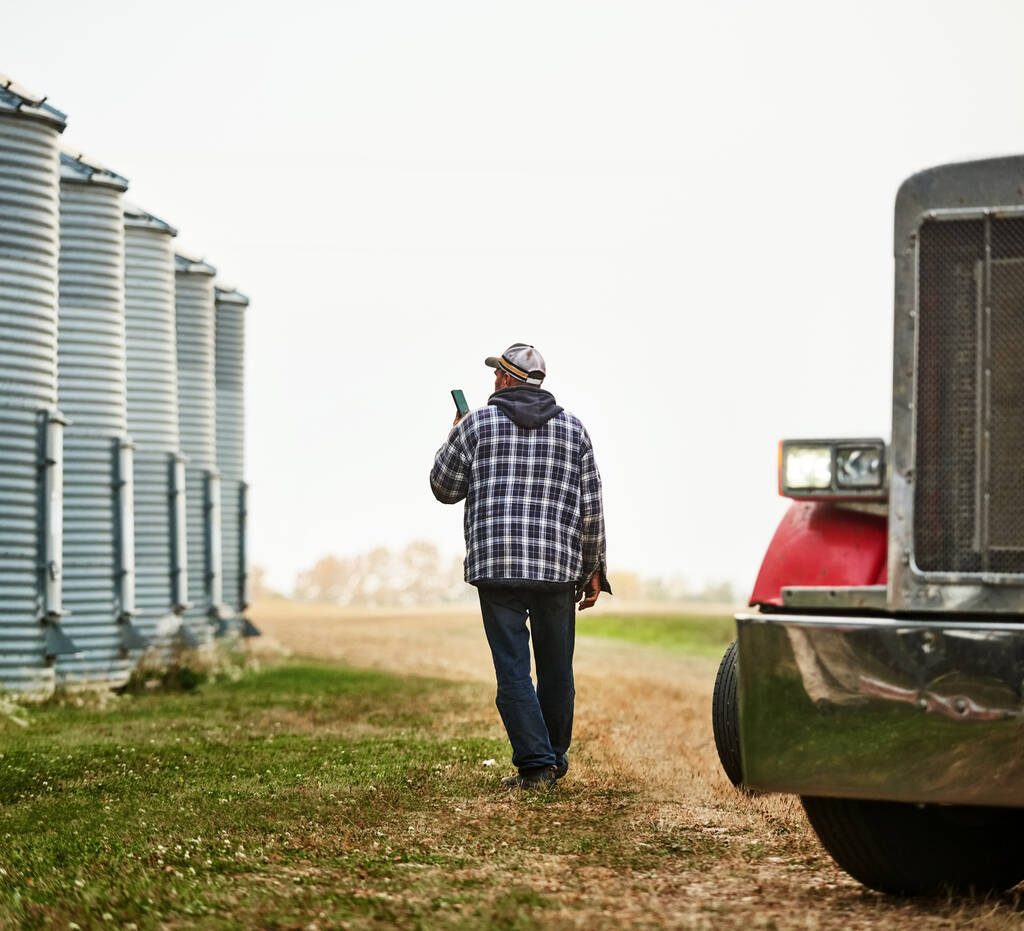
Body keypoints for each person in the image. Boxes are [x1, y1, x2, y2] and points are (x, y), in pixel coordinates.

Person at [430, 343, 611, 790]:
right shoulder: (574, 431)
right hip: (556, 569)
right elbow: (592, 509)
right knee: (556, 669)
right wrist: (594, 568)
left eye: (496, 375)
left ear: (506, 379)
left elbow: (443, 487)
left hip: (497, 566)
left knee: (512, 669)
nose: (493, 380)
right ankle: (554, 758)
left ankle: (536, 766)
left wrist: (455, 433)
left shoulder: (477, 424)